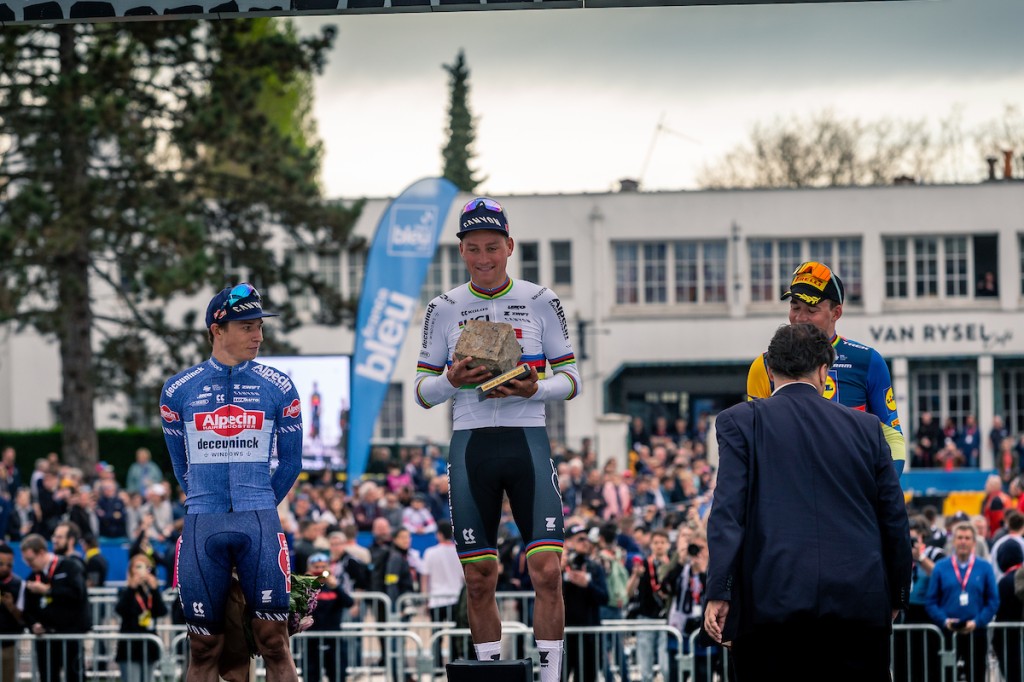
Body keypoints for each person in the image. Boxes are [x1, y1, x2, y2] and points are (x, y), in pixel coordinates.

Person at [413, 196, 583, 680]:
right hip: (471, 445)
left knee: (548, 571)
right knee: (478, 577)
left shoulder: (540, 300)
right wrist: (453, 380)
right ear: (461, 251)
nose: (484, 258)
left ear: (509, 246)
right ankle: (489, 674)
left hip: (528, 438)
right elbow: (423, 394)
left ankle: (550, 676)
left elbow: (573, 378)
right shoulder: (443, 307)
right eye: (473, 249)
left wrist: (537, 387)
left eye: (492, 247)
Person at [704, 323, 912, 682]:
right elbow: (893, 517)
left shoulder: (740, 422)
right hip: (857, 603)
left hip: (770, 605)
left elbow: (727, 513)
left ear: (769, 371)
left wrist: (719, 590)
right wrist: (896, 592)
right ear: (823, 371)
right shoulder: (867, 429)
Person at [159, 282, 303, 682]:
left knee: (274, 641)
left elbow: (291, 462)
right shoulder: (177, 390)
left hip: (258, 520)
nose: (257, 336)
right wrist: (208, 503)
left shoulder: (279, 386)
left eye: (260, 326)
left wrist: (257, 504)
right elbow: (180, 466)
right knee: (203, 649)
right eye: (246, 327)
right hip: (203, 522)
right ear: (216, 329)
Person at [745, 261, 907, 475]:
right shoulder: (764, 365)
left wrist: (884, 492)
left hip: (851, 490)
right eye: (795, 308)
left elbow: (892, 436)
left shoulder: (867, 360)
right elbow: (754, 441)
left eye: (811, 310)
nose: (800, 318)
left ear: (836, 312)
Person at [924, 521, 1000, 682]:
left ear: (974, 542)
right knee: (946, 675)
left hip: (976, 632)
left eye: (967, 538)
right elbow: (931, 601)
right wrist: (944, 621)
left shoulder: (984, 567)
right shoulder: (940, 567)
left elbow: (993, 600)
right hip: (947, 633)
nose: (963, 542)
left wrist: (978, 621)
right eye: (959, 538)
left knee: (977, 674)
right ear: (953, 541)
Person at [21, 532, 92, 682]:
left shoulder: (70, 567)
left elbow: (78, 594)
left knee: (75, 677)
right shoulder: (33, 578)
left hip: (71, 636)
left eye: (30, 560)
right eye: (26, 561)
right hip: (46, 639)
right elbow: (27, 610)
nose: (29, 564)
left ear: (41, 552)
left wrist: (48, 590)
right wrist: (33, 625)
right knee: (48, 677)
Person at [561, 523, 607, 682]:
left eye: (587, 539)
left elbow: (604, 597)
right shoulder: (558, 567)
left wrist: (588, 585)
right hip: (565, 635)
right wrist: (560, 573)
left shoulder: (594, 567)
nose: (586, 542)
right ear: (569, 542)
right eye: (580, 539)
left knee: (588, 676)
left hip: (589, 635)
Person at [115, 553, 169, 682]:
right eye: (137, 567)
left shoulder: (150, 591)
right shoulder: (125, 591)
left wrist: (155, 590)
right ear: (131, 570)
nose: (141, 571)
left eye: (145, 567)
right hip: (130, 646)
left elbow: (161, 611)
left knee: (148, 678)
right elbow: (120, 610)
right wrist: (131, 588)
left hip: (149, 645)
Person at [301, 552, 353, 682]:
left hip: (334, 638)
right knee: (311, 675)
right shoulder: (305, 585)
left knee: (337, 674)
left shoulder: (334, 585)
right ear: (309, 569)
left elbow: (349, 603)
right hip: (311, 639)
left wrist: (336, 587)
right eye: (316, 567)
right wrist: (307, 586)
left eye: (323, 567)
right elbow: (298, 608)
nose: (319, 570)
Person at [0, 543, 25, 682]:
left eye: (9, 565)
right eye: (1, 563)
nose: (5, 568)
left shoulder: (18, 584)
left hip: (9, 645)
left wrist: (11, 606)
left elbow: (23, 618)